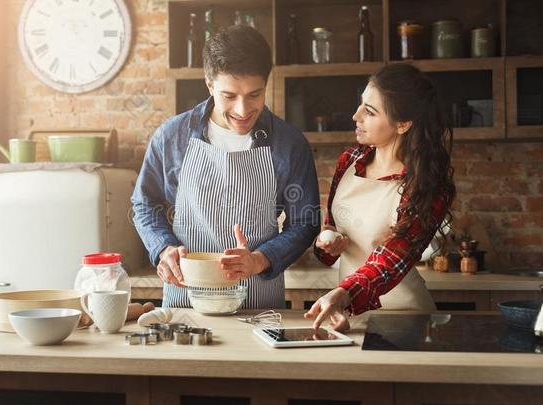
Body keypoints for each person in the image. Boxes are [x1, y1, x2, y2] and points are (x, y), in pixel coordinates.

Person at [132, 25, 320, 308]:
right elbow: (144, 204)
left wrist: (259, 260)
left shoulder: (290, 144)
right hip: (186, 302)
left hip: (258, 306)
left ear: (266, 84)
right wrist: (163, 249)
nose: (243, 110)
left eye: (254, 95)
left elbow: (305, 222)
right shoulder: (172, 136)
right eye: (229, 96)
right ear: (209, 85)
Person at [305, 63, 456, 331]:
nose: (355, 116)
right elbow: (330, 245)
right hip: (346, 311)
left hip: (405, 317)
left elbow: (392, 260)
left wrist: (344, 294)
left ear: (403, 123)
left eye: (370, 112)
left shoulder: (426, 185)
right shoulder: (350, 161)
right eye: (361, 104)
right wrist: (326, 244)